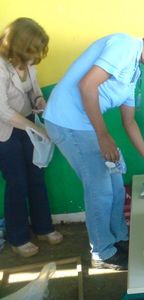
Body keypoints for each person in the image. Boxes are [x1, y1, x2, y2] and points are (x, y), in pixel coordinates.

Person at [43, 26, 144, 270]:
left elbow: (129, 122)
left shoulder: (134, 72)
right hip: (68, 121)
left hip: (87, 125)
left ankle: (118, 238)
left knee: (116, 180)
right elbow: (87, 86)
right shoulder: (125, 45)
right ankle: (102, 252)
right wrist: (103, 135)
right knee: (100, 187)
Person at [0, 18, 63, 258]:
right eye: (33, 50)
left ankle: (43, 227)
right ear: (18, 46)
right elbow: (3, 111)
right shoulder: (1, 66)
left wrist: (39, 102)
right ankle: (18, 237)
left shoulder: (29, 64)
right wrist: (37, 129)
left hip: (26, 124)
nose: (36, 56)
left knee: (37, 176)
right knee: (17, 183)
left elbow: (34, 91)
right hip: (5, 131)